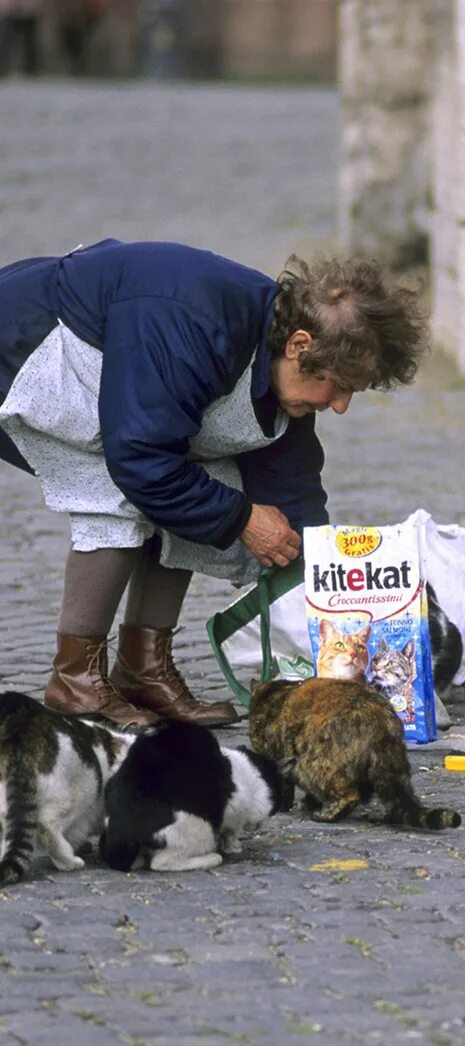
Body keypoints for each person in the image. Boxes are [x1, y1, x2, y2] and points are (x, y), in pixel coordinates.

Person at [0, 238, 427, 729]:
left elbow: (292, 481)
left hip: (114, 353)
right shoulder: (194, 328)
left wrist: (336, 581)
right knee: (121, 483)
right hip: (28, 344)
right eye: (339, 385)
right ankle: (74, 680)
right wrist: (243, 518)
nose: (341, 405)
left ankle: (143, 668)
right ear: (300, 346)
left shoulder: (280, 347)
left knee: (210, 479)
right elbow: (141, 459)